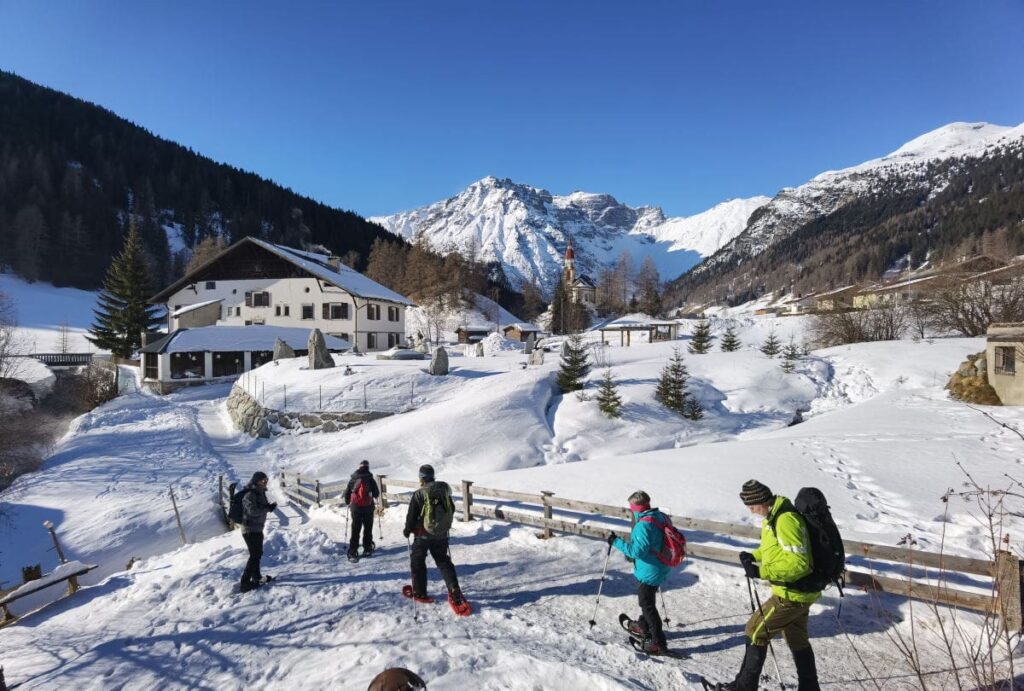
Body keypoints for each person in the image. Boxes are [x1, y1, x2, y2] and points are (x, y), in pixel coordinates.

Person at [717, 480, 820, 691]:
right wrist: (752, 556)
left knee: (755, 631)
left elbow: (799, 563)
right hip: (798, 592)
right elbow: (774, 549)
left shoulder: (785, 520)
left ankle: (744, 688)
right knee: (797, 639)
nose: (751, 511)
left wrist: (761, 571)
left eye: (753, 506)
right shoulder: (772, 518)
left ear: (763, 500)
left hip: (791, 593)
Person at [609, 490, 671, 655]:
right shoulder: (661, 516)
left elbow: (636, 552)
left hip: (650, 570)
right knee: (648, 600)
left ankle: (658, 642)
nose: (631, 511)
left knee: (647, 605)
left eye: (632, 508)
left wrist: (616, 542)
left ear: (636, 508)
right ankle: (643, 626)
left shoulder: (643, 525)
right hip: (661, 565)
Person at [402, 464, 465, 606]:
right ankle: (454, 589)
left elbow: (411, 516)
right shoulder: (443, 490)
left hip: (422, 535)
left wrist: (407, 530)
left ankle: (419, 592)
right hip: (441, 535)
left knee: (417, 562)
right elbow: (452, 509)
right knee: (443, 561)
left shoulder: (419, 493)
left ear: (421, 478)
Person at [240, 471, 277, 592]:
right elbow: (252, 511)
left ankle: (256, 577)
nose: (265, 482)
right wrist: (267, 508)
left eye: (266, 480)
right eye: (262, 480)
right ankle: (245, 583)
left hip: (257, 528)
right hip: (249, 529)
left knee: (257, 554)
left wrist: (269, 507)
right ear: (256, 481)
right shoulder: (250, 493)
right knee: (254, 555)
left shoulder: (260, 492)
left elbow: (261, 507)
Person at [344, 460, 380, 560]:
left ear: (359, 467)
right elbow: (376, 494)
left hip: (356, 508)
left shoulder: (353, 479)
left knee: (355, 529)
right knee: (368, 529)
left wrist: (348, 502)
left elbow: (347, 493)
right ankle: (367, 548)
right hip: (368, 508)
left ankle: (352, 551)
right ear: (368, 467)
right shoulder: (370, 479)